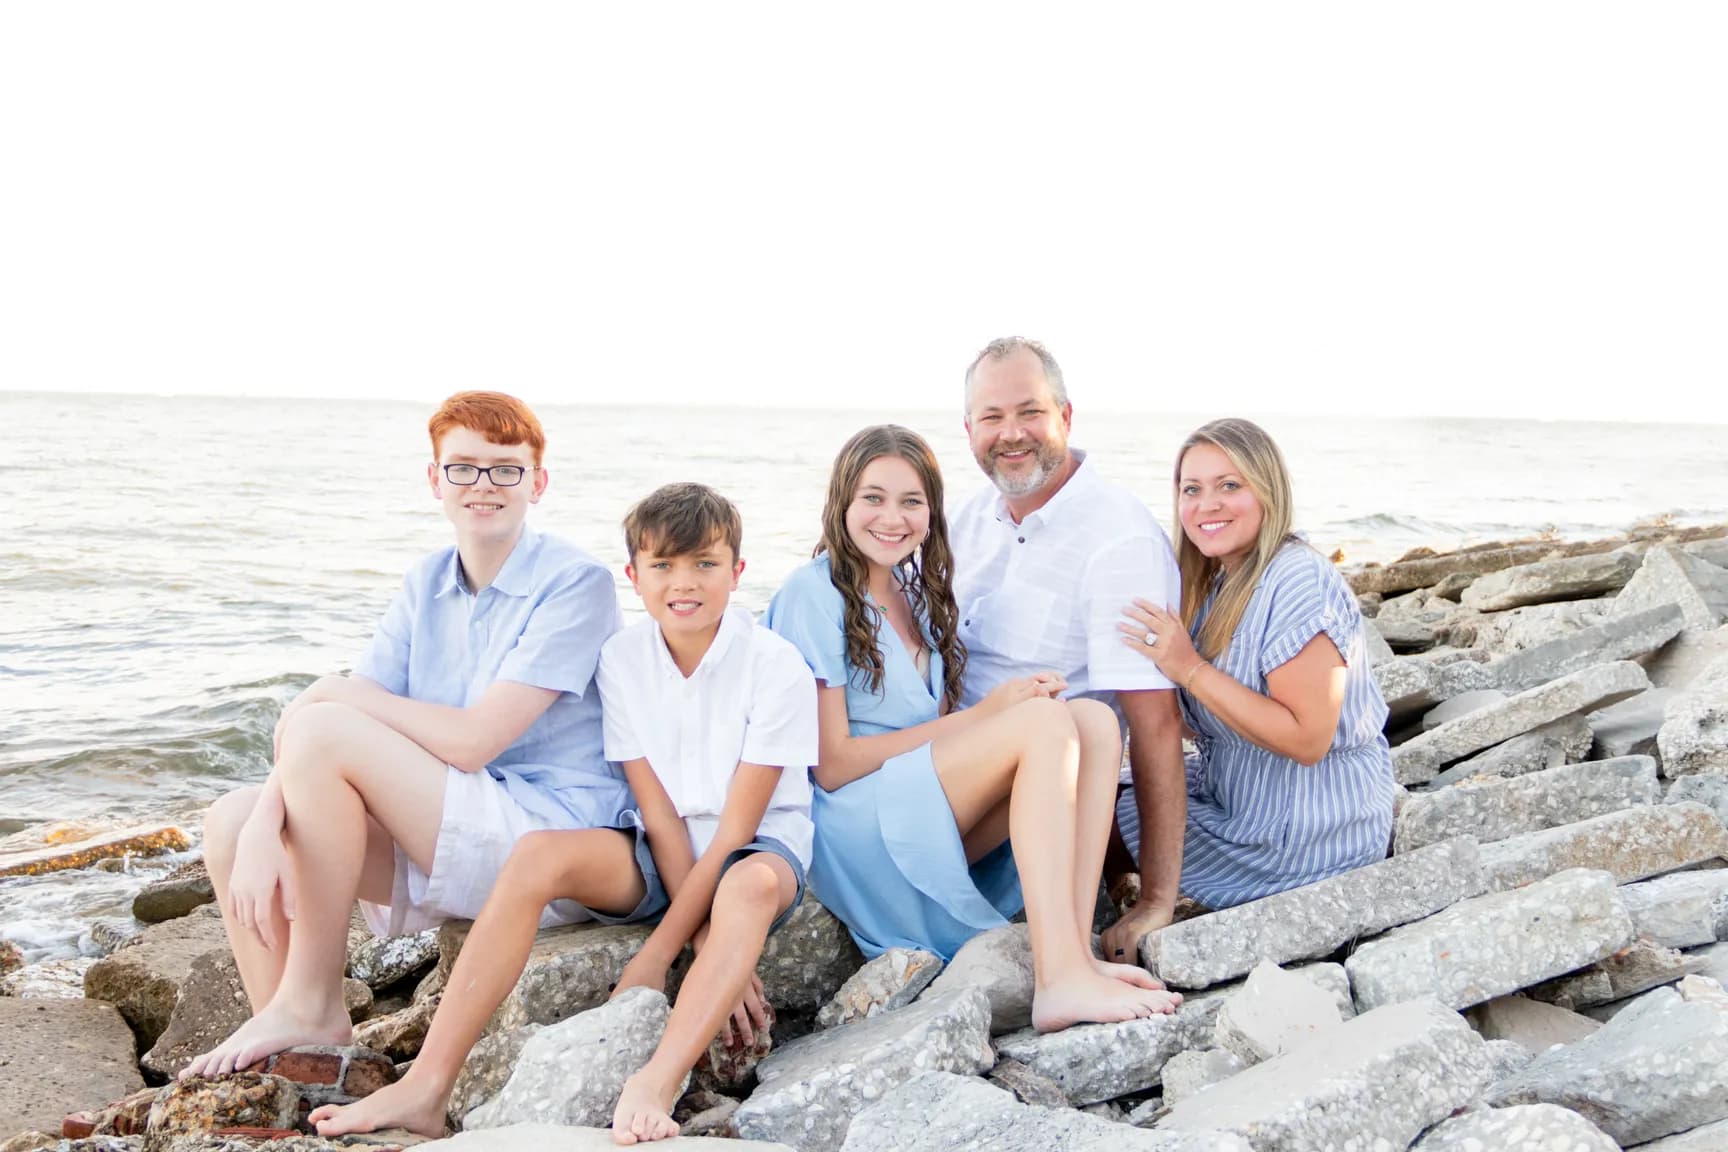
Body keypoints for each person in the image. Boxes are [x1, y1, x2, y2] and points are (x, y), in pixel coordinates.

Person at [315, 481, 819, 1145]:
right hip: (656, 849)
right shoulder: (621, 659)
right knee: (537, 853)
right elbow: (660, 817)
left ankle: (656, 1079)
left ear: (738, 571)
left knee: (746, 885)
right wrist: (689, 933)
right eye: (662, 566)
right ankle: (426, 1086)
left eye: (704, 563)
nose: (683, 583)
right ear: (633, 576)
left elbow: (733, 831)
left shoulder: (775, 665)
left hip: (755, 849)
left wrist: (663, 952)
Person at [185, 391, 647, 1079]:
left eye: (504, 469)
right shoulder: (425, 580)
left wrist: (336, 695)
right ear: (435, 480)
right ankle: (299, 1050)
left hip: (544, 839)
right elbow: (339, 722)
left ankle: (311, 999)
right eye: (463, 467)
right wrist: (264, 826)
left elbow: (471, 742)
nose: (483, 485)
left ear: (537, 483)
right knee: (230, 819)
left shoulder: (575, 583)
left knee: (329, 729)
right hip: (456, 821)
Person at [766, 425, 1178, 1032]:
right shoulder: (813, 593)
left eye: (911, 501)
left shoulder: (917, 594)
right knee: (1038, 723)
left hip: (916, 802)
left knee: (1090, 719)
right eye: (872, 498)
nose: (892, 517)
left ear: (932, 511)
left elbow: (938, 741)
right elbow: (833, 764)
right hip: (855, 821)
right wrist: (987, 717)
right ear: (841, 504)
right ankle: (1058, 978)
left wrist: (999, 716)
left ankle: (1072, 954)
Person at [946, 338, 1188, 964]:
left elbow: (1155, 725)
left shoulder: (1118, 538)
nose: (1011, 434)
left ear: (1066, 417)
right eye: (991, 418)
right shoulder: (962, 522)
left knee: (1087, 718)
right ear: (969, 428)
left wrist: (1157, 897)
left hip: (1026, 804)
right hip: (946, 761)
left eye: (1029, 412)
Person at [1112, 418, 1396, 909]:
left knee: (1102, 815)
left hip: (1312, 831)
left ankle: (1153, 903)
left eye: (1229, 485)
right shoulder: (1219, 582)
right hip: (1241, 802)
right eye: (1191, 489)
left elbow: (1307, 739)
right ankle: (1140, 894)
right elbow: (1203, 720)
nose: (1207, 505)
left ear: (1268, 490)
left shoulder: (1297, 580)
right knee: (1096, 793)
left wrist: (1190, 669)